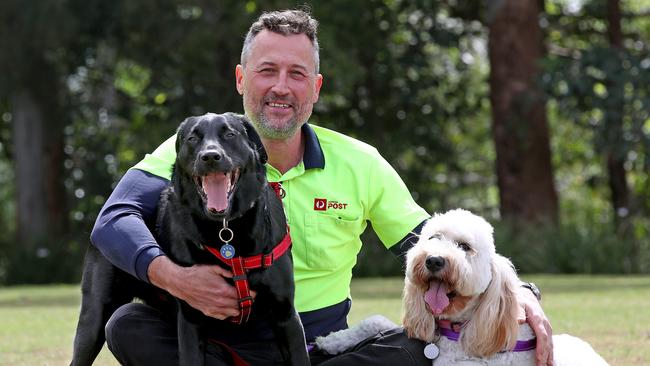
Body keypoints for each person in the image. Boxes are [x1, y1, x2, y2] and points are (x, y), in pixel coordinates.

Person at [91, 9, 553, 366]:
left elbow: (436, 249)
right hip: (217, 347)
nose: (280, 87)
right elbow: (113, 221)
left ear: (315, 88)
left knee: (413, 350)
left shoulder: (360, 162)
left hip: (320, 351)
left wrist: (523, 291)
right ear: (240, 78)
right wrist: (177, 279)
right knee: (127, 324)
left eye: (296, 75)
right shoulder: (196, 147)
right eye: (266, 70)